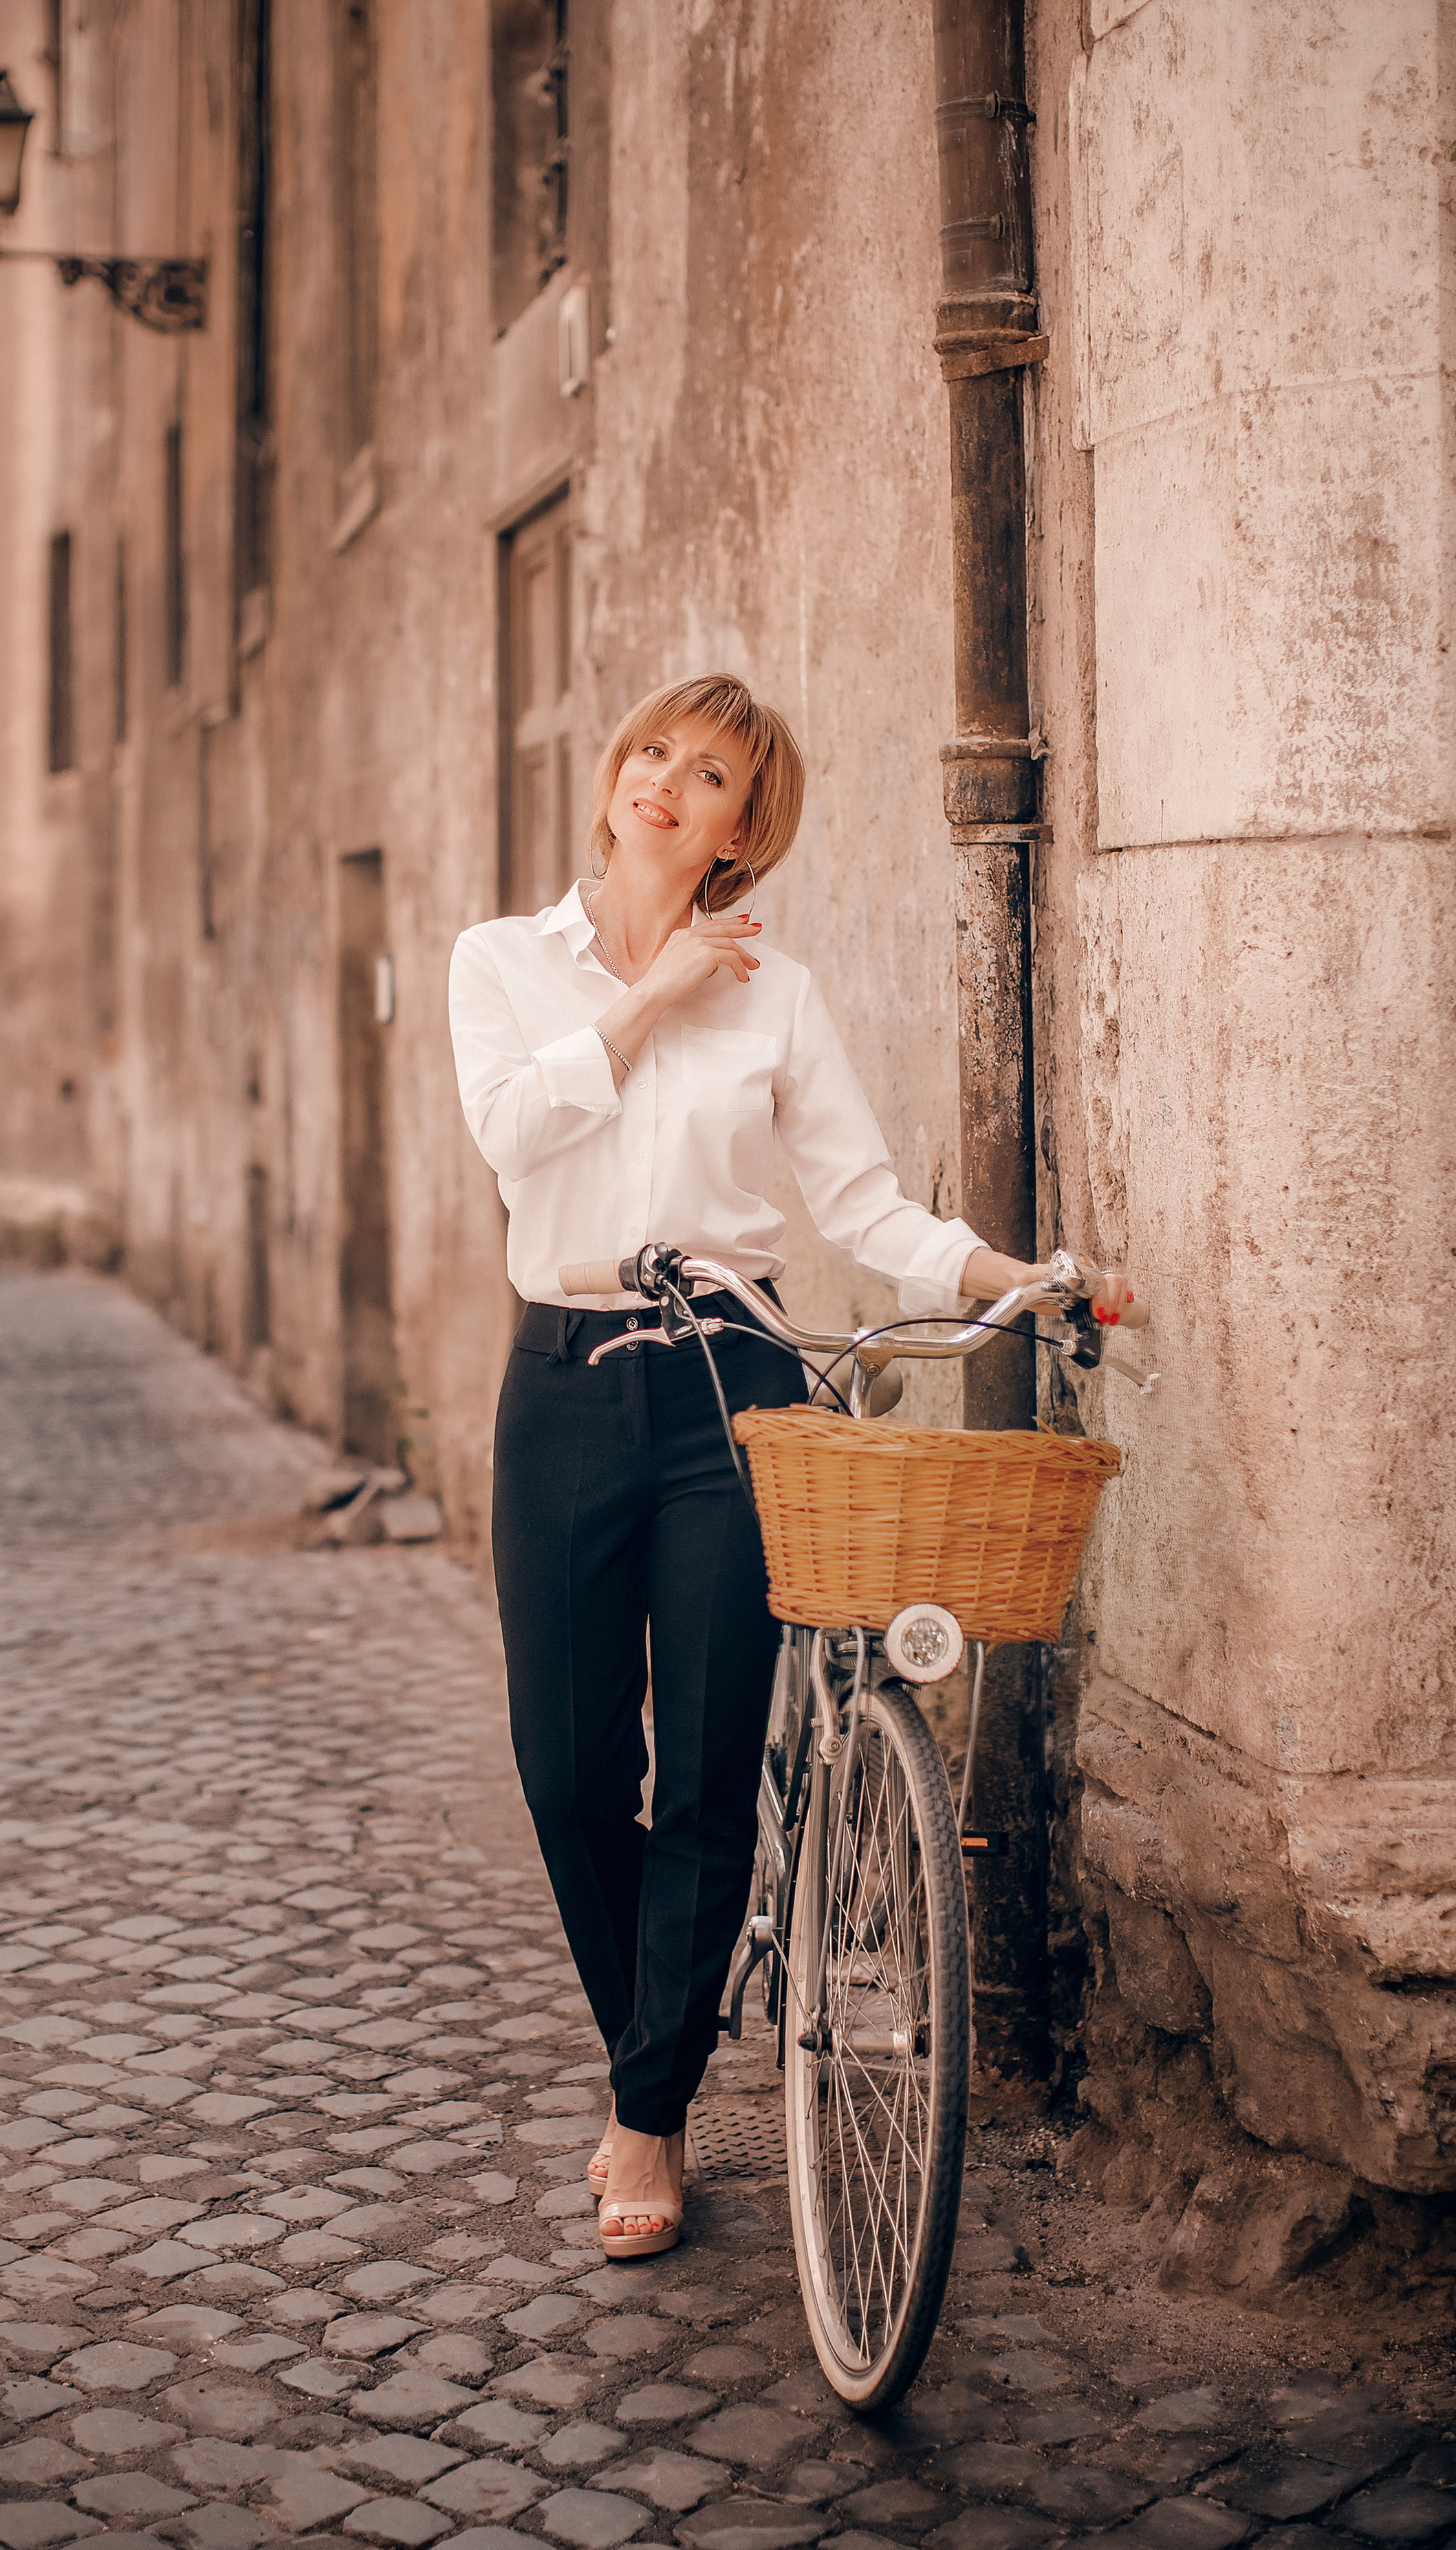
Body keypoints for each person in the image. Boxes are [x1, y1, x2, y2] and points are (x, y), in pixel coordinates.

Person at [448, 673, 1119, 2260]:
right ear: (617, 774)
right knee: (563, 1774)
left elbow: (864, 1208)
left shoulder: (782, 997)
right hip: (557, 1376)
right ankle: (655, 2047)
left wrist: (1007, 1274)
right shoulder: (501, 964)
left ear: (746, 827)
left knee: (699, 1768)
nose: (669, 788)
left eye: (713, 778)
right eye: (656, 757)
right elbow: (508, 1139)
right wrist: (648, 998)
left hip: (726, 1393)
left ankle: (646, 2115)